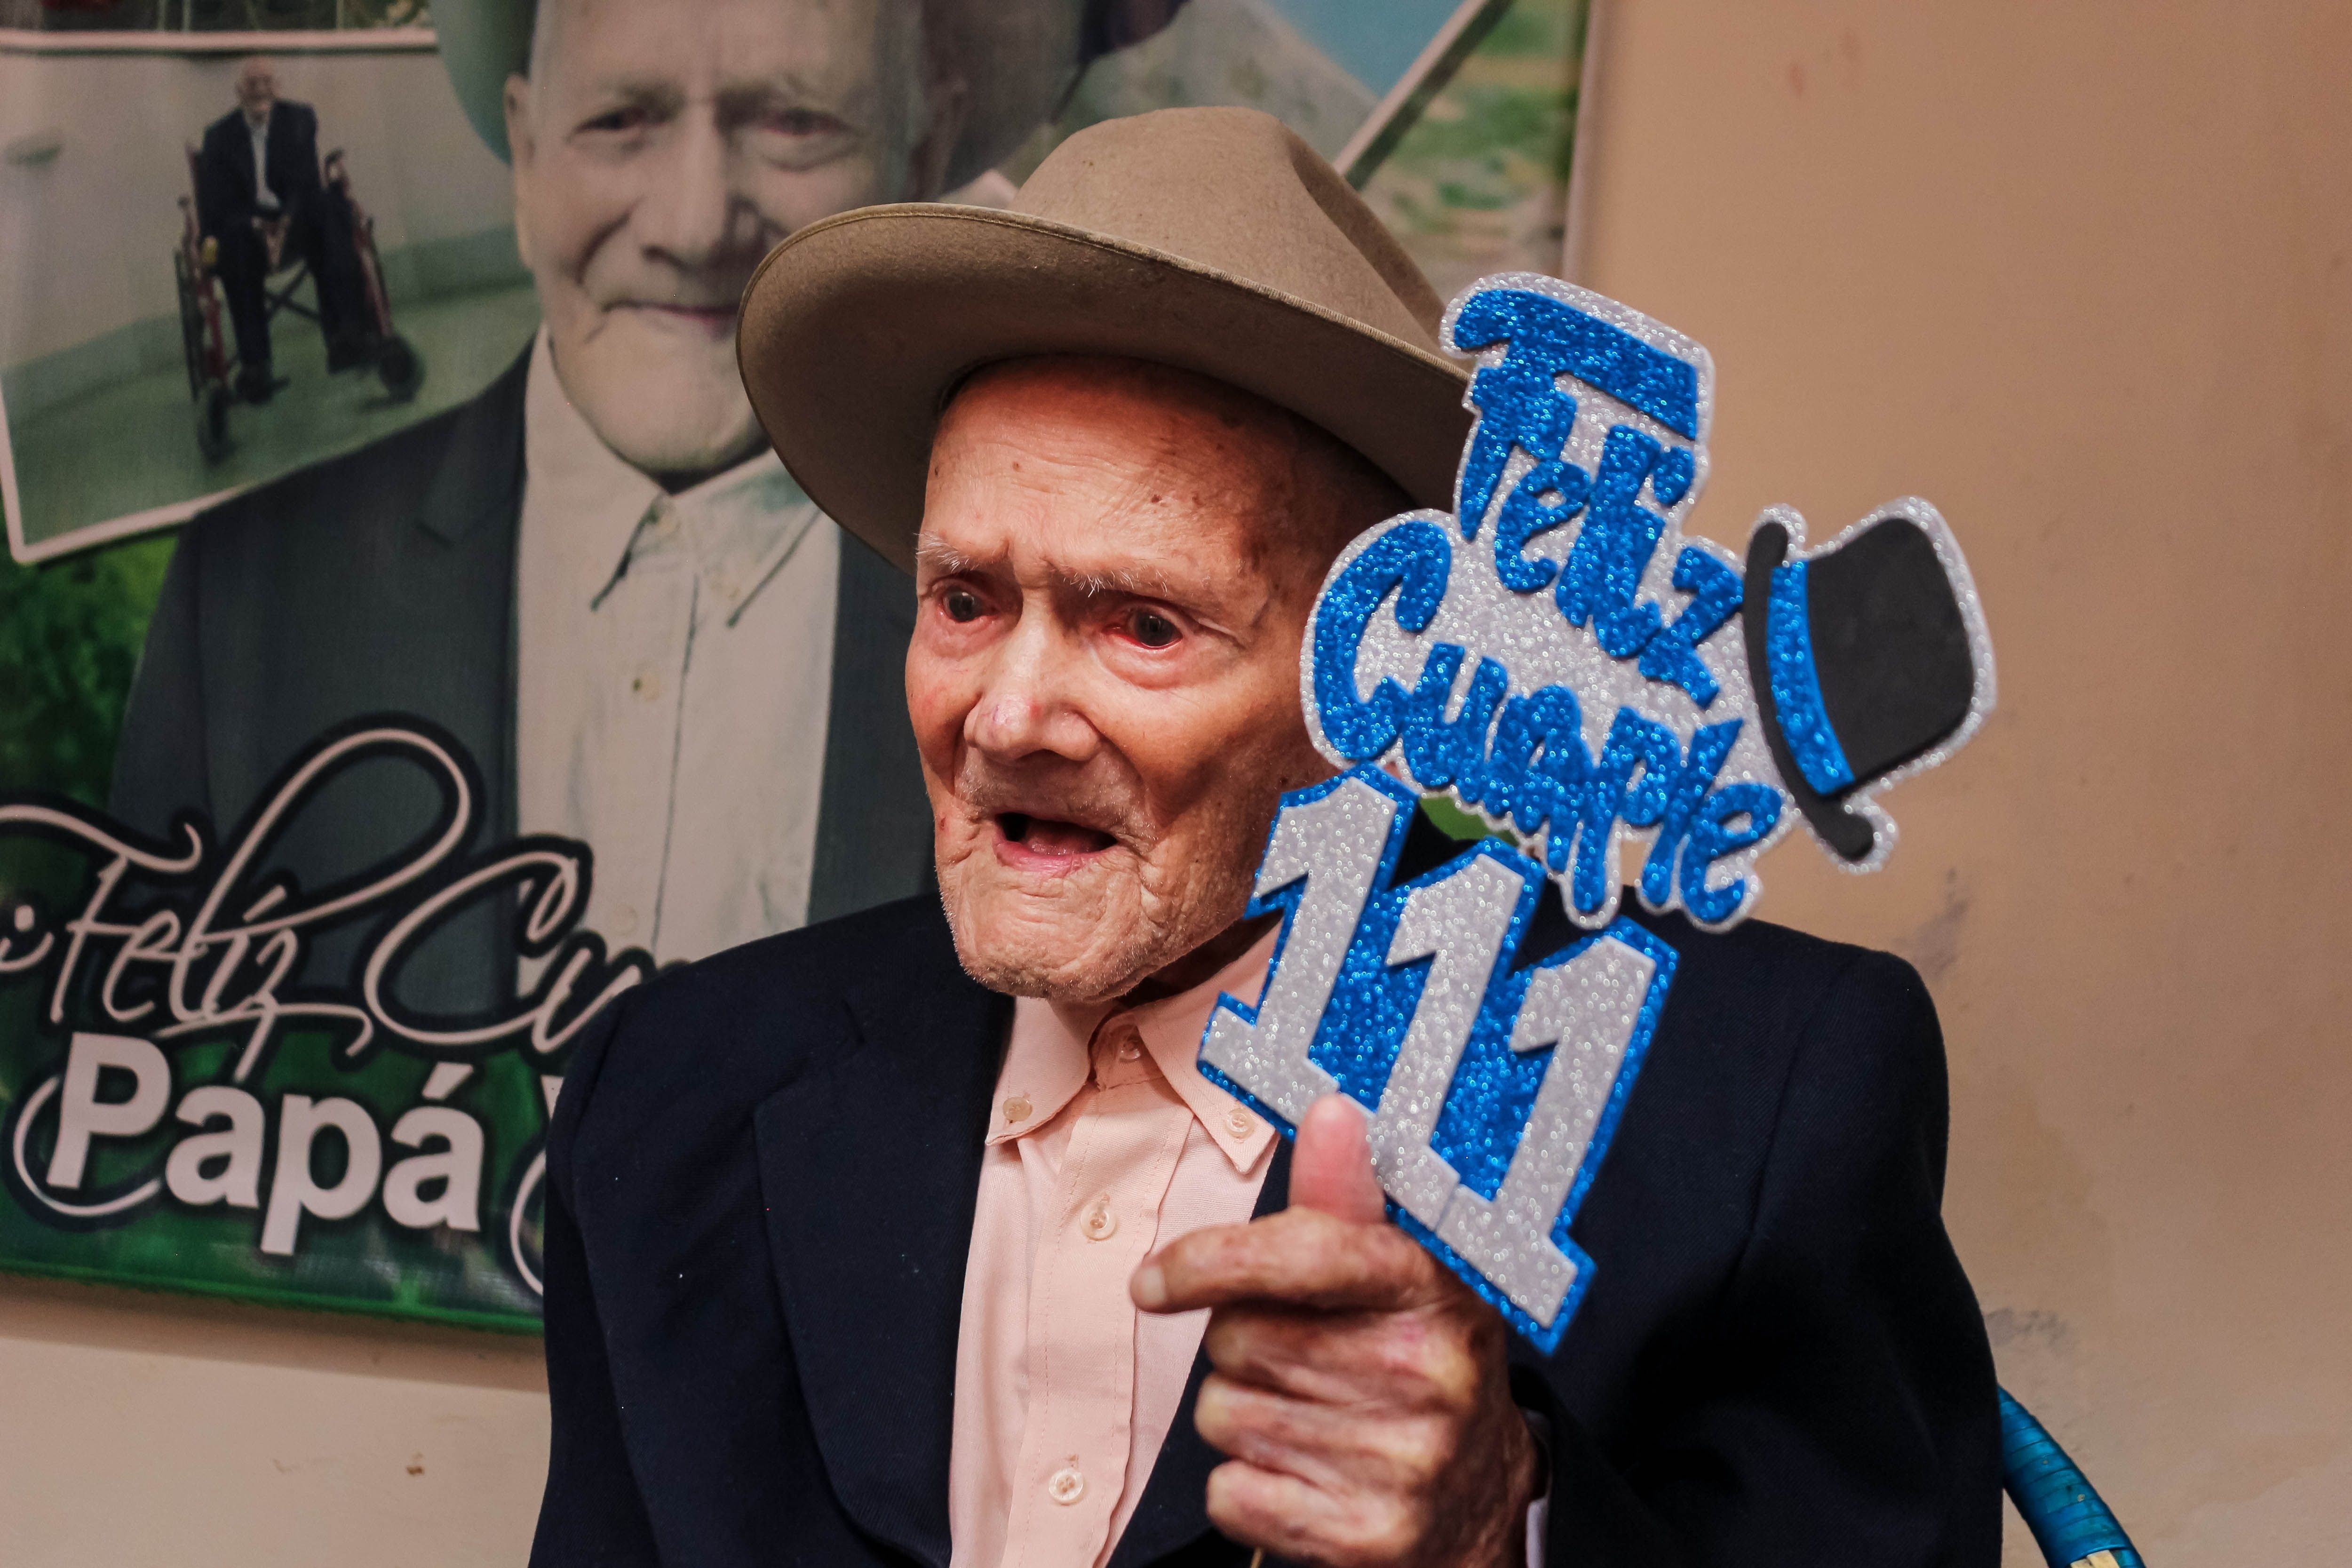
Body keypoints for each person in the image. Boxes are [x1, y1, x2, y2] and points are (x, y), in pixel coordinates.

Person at [531, 108, 2002, 1566]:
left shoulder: (1750, 1102)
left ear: (1378, 685)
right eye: (967, 600)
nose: (1007, 715)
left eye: (1143, 624)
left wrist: (1505, 1529)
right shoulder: (674, 1097)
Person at [112, 0, 1184, 1012]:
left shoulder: (1073, 663)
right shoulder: (243, 597)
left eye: (795, 124)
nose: (694, 223)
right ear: (526, 152)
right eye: (621, 121)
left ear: (917, 153)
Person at [194, 56, 372, 401]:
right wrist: (258, 226)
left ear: (279, 86)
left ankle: (345, 337)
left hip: (294, 222)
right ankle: (256, 366)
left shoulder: (300, 119)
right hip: (248, 231)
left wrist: (284, 224)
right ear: (239, 91)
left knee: (329, 208)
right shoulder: (218, 138)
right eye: (252, 83)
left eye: (267, 82)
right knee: (233, 242)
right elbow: (218, 206)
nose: (260, 90)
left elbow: (304, 184)